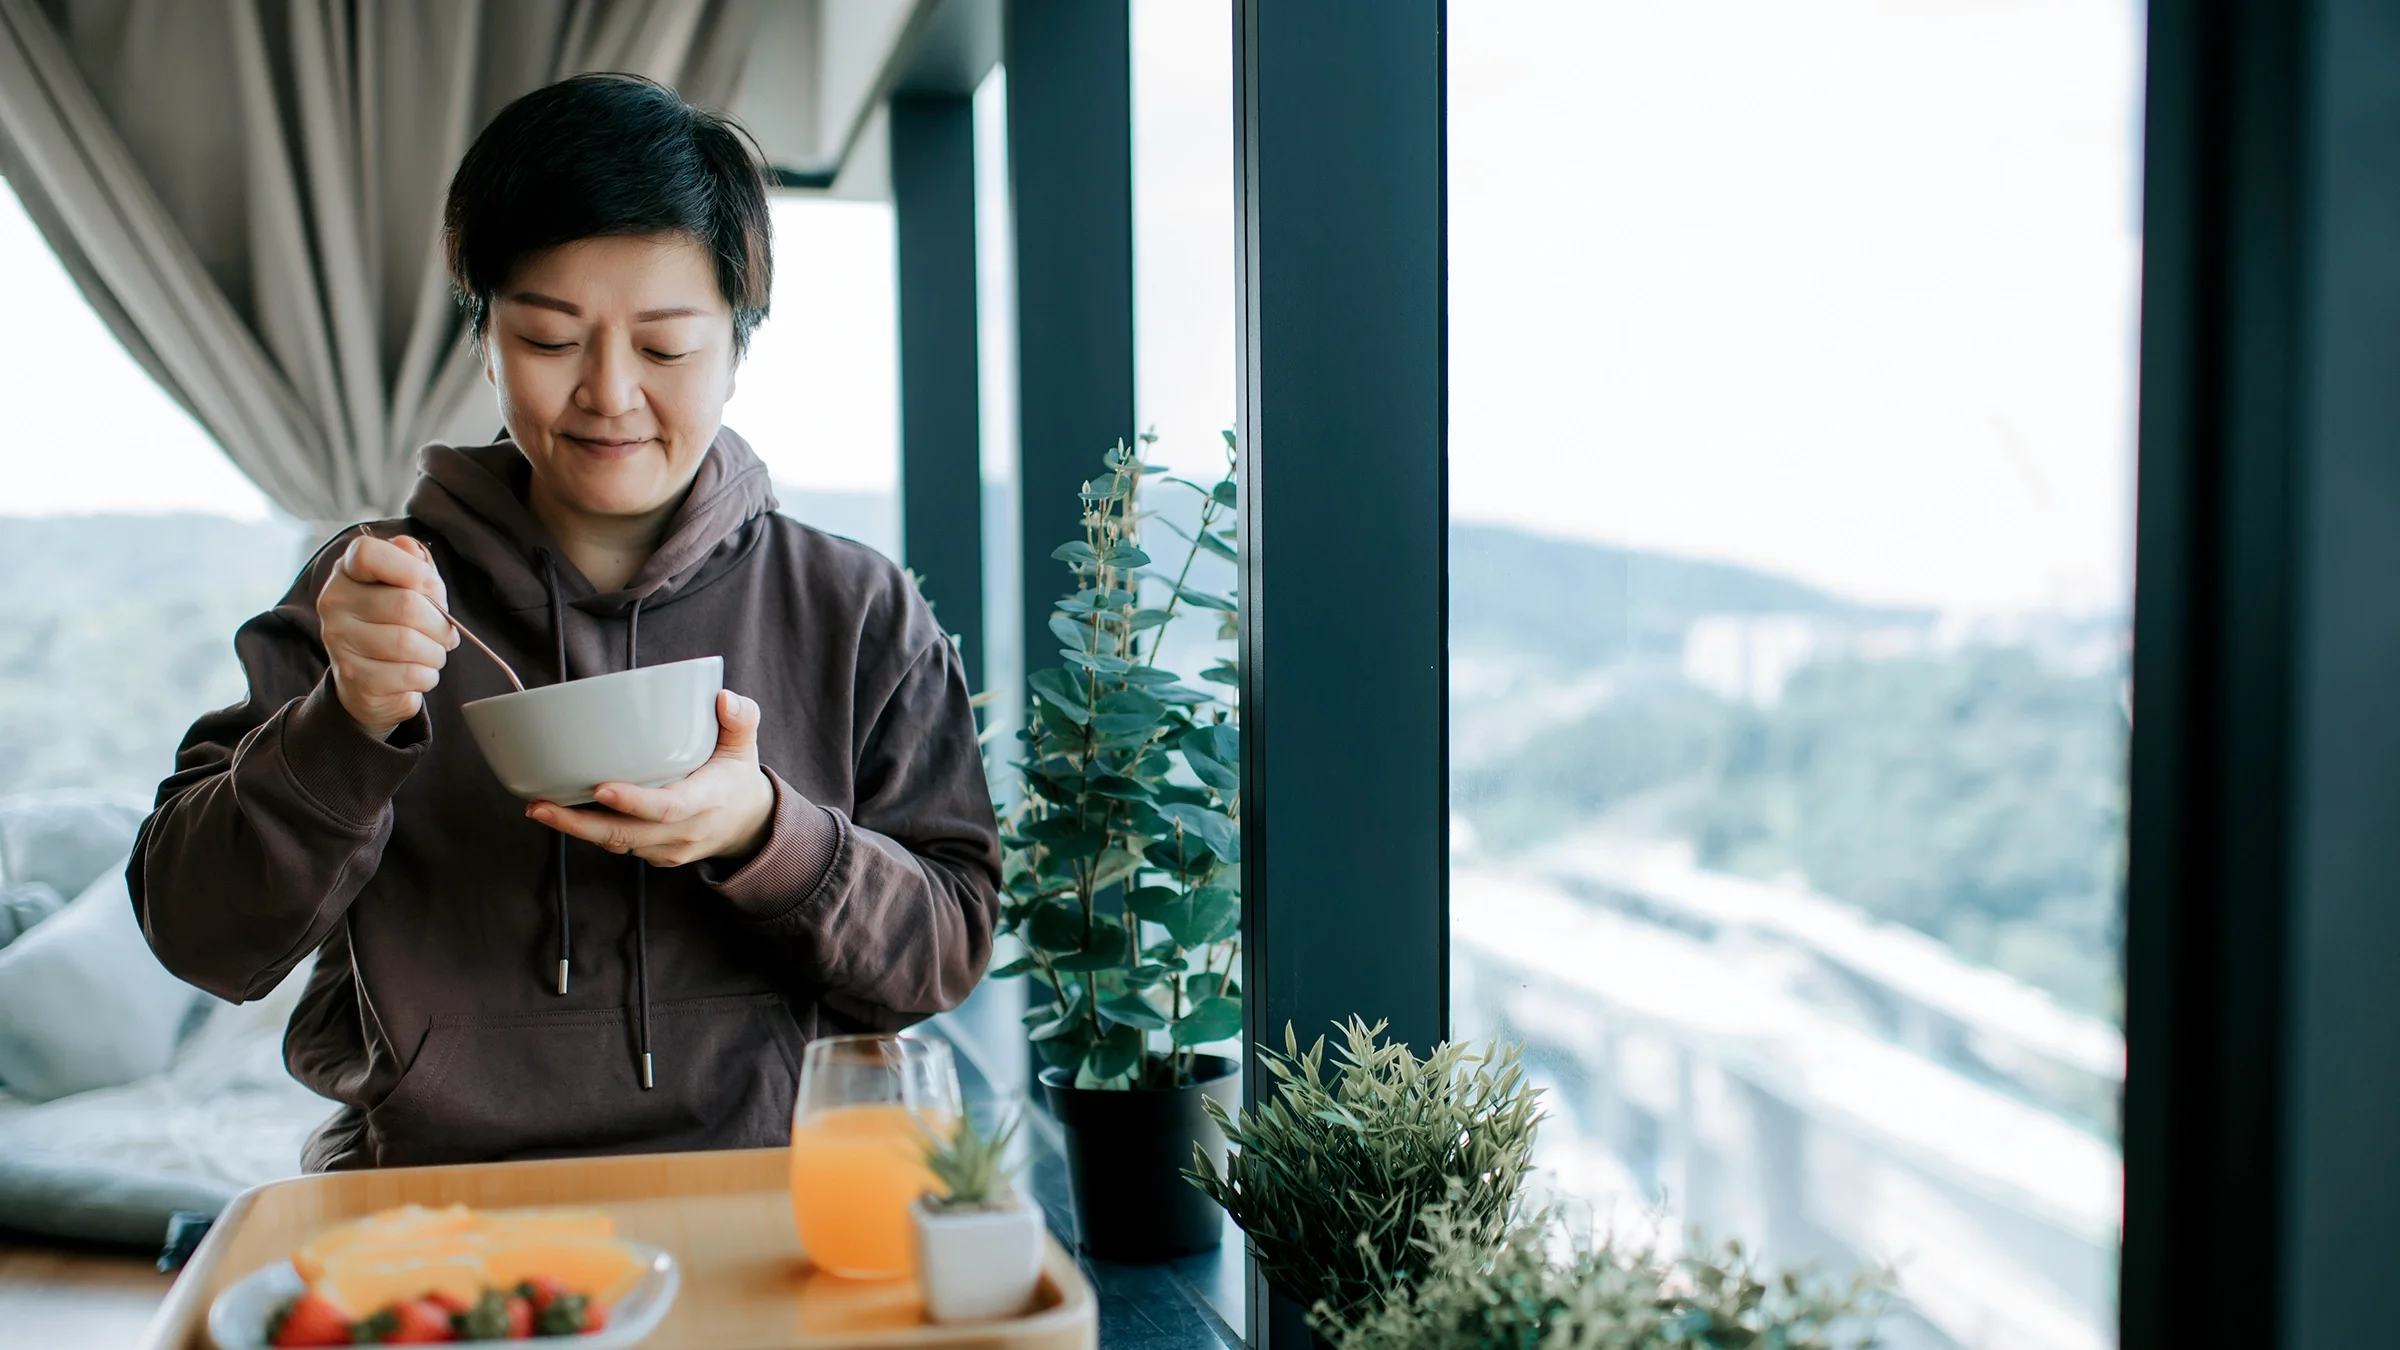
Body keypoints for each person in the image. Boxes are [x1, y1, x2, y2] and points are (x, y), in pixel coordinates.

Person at [128, 74, 999, 1171]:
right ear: (485, 340)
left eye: (667, 347)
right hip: (437, 1201)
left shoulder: (856, 608)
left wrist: (764, 832)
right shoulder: (372, 596)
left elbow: (946, 954)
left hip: (774, 1198)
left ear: (738, 347)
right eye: (548, 339)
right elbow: (200, 940)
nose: (609, 393)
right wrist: (344, 724)